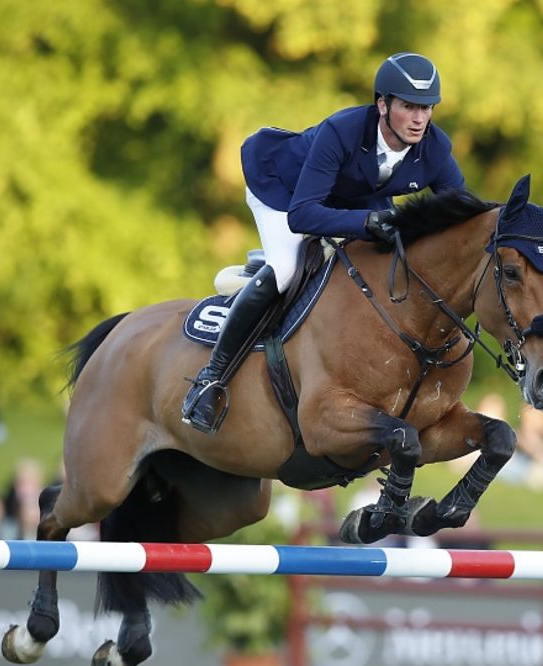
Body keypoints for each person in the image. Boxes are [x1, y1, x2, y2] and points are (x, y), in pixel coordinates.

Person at [183, 52, 466, 433]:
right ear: (382, 105)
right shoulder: (343, 131)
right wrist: (365, 222)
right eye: (409, 107)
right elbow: (303, 215)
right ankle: (209, 379)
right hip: (282, 189)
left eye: (427, 108)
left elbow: (462, 212)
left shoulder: (434, 148)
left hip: (351, 200)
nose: (420, 119)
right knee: (285, 269)